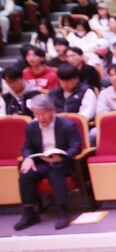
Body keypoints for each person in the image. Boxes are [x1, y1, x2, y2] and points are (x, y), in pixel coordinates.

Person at [13, 95, 83, 231]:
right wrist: (28, 158)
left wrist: (62, 157)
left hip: (62, 163)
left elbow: (76, 146)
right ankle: (29, 213)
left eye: (44, 114)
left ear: (52, 110)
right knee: (26, 174)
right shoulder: (32, 127)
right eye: (37, 114)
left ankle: (63, 212)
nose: (41, 118)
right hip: (42, 162)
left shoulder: (67, 125)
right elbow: (26, 147)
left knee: (55, 171)